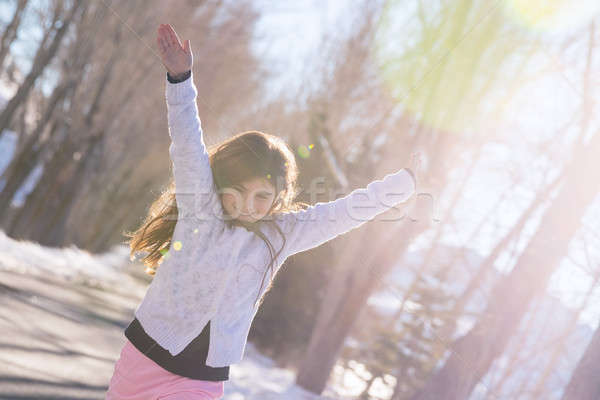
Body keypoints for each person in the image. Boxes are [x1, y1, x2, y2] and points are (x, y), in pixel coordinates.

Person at [105, 23, 421, 400]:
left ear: (278, 198)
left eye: (261, 197)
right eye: (237, 193)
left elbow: (343, 213)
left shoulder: (281, 235)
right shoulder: (201, 209)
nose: (247, 206)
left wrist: (407, 182)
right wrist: (180, 79)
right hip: (143, 360)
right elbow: (187, 143)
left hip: (201, 382)